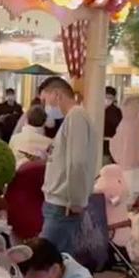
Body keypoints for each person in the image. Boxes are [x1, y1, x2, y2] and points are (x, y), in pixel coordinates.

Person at [37, 77, 98, 257]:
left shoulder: (76, 116)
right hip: (60, 202)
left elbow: (77, 162)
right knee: (57, 262)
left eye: (45, 99)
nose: (45, 105)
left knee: (44, 261)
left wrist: (76, 200)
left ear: (57, 95)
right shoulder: (72, 118)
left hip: (62, 204)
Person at [109, 95, 139, 198]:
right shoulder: (138, 124)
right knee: (132, 194)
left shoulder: (126, 125)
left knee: (128, 194)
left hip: (128, 166)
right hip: (136, 165)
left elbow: (115, 144)